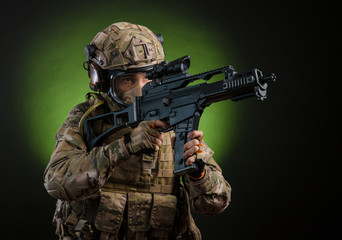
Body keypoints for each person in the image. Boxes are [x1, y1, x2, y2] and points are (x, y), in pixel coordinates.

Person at [44, 22, 231, 240]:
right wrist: (124, 145)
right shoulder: (89, 117)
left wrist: (198, 173)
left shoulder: (172, 118)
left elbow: (214, 204)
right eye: (128, 80)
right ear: (101, 79)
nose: (141, 89)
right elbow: (56, 181)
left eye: (149, 78)